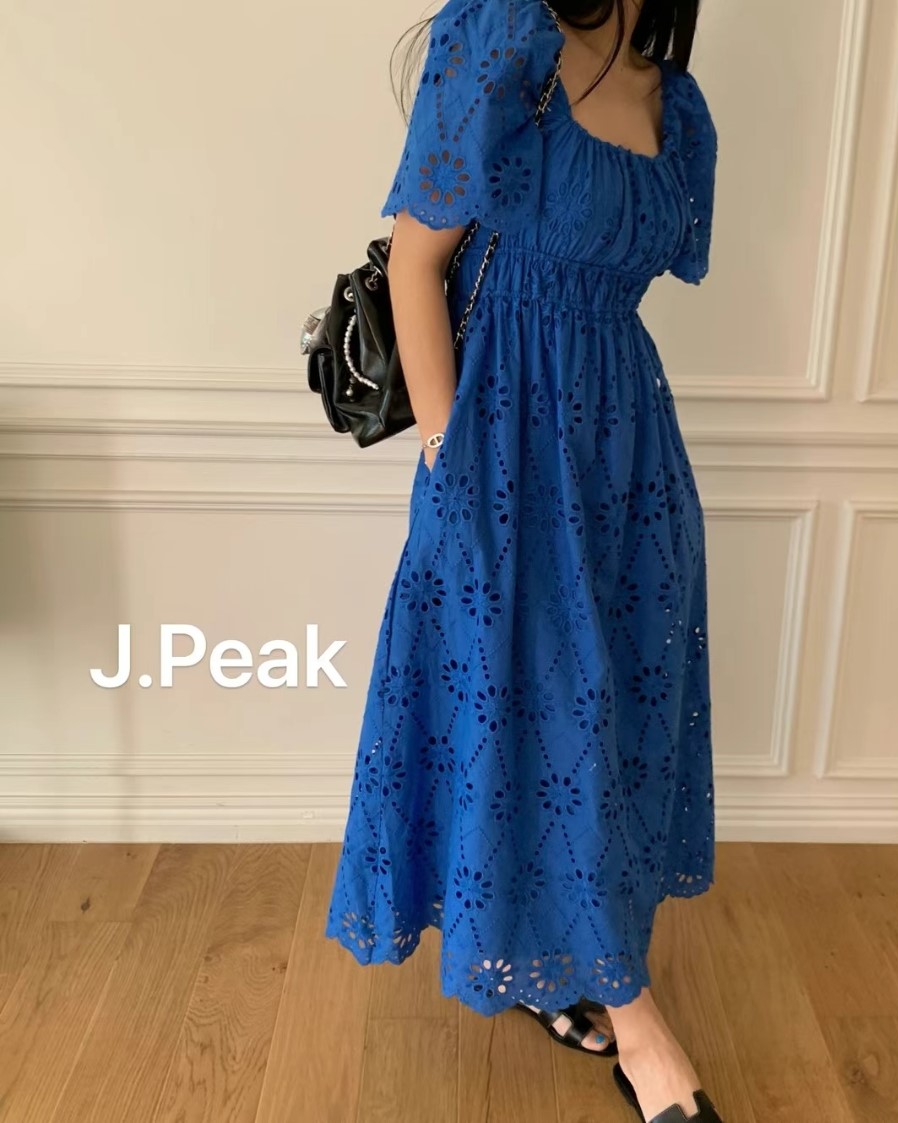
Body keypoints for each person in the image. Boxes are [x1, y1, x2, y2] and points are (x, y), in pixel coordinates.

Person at [325, 0, 721, 1118]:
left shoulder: (675, 103)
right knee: (544, 713)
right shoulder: (503, 36)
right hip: (503, 446)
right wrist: (452, 470)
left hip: (629, 461)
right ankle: (645, 1035)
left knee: (609, 726)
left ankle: (556, 968)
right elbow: (416, 264)